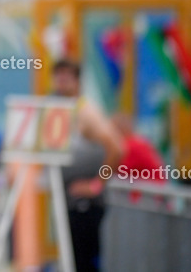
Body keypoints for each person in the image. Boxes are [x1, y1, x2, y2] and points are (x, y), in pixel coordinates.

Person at [50, 58, 125, 272]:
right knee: (72, 257)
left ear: (77, 81)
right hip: (70, 199)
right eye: (59, 77)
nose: (62, 82)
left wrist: (97, 184)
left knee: (84, 260)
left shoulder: (86, 111)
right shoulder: (61, 109)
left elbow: (117, 148)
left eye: (67, 77)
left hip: (85, 203)